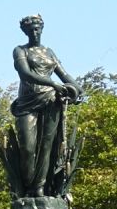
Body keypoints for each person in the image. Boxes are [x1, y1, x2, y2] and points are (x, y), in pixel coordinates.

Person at [9, 14, 81, 197]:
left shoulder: (49, 52)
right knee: (28, 147)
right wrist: (53, 84)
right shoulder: (20, 50)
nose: (35, 32)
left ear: (42, 29)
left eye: (37, 28)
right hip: (28, 102)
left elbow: (64, 76)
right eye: (31, 29)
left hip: (51, 101)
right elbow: (25, 73)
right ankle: (26, 188)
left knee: (47, 146)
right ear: (25, 31)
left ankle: (40, 187)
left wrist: (77, 89)